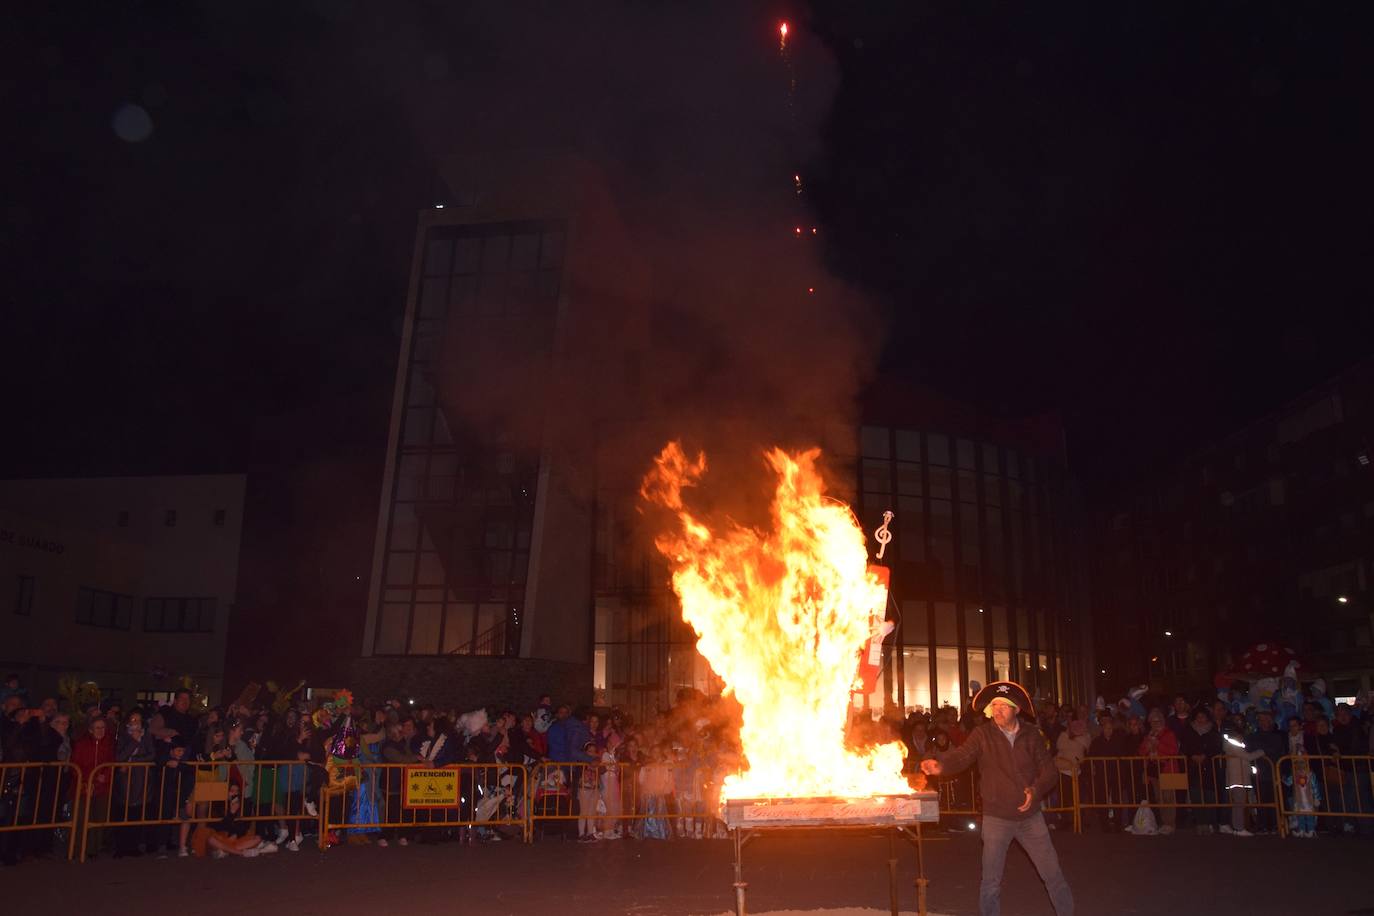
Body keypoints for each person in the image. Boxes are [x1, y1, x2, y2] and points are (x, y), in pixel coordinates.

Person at [920, 681, 1072, 916]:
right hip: (996, 819)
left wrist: (1036, 789)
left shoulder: (1031, 735)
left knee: (1053, 875)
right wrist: (940, 765)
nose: (998, 709)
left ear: (1017, 709)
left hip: (1030, 818)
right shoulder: (982, 734)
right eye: (995, 705)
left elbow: (1049, 771)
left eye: (1004, 705)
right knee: (990, 883)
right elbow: (961, 757)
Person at [1179, 707, 1222, 834]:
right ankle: (1200, 822)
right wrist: (1192, 755)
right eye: (1198, 717)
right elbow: (1185, 746)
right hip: (1193, 767)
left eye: (1203, 716)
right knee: (1196, 795)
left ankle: (1209, 822)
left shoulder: (1213, 731)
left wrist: (1205, 755)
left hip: (1209, 767)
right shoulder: (1189, 731)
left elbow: (1217, 746)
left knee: (1209, 795)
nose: (1200, 719)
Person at [1138, 710, 1179, 835]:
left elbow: (1173, 751)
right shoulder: (1149, 735)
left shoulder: (1169, 734)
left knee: (1169, 797)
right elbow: (1141, 752)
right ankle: (1164, 822)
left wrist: (1158, 744)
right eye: (1152, 722)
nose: (1154, 724)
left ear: (1162, 721)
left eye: (1157, 721)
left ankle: (1170, 823)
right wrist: (1148, 746)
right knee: (1159, 797)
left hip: (1168, 769)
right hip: (1154, 771)